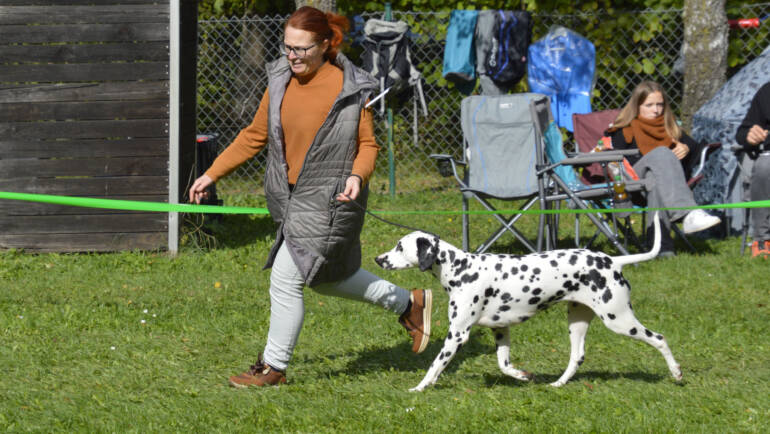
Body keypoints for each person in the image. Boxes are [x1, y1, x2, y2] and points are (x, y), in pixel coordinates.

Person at [188, 6, 432, 387]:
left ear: (324, 44)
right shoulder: (281, 80)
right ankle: (408, 303)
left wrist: (356, 175)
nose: (292, 56)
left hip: (333, 198)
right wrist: (210, 173)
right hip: (291, 200)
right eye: (287, 47)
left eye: (301, 49)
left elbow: (368, 145)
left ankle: (273, 367)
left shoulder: (351, 87)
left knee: (286, 278)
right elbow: (255, 135)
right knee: (327, 278)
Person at [606, 81, 722, 257]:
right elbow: (616, 163)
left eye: (660, 104)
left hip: (659, 187)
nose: (656, 110)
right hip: (632, 184)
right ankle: (688, 214)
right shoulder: (624, 130)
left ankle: (662, 247)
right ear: (637, 106)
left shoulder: (670, 127)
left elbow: (695, 155)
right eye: (649, 105)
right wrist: (665, 156)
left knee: (655, 179)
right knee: (662, 153)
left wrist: (686, 149)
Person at [735, 81, 770, 258]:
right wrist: (750, 136)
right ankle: (763, 239)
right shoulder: (767, 92)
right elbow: (742, 133)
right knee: (765, 166)